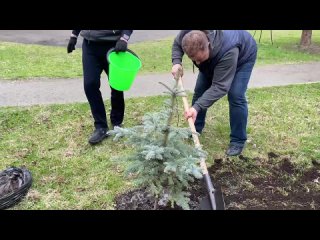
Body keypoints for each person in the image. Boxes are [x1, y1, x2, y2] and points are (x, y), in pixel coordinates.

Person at [171, 30, 257, 156]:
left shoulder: (228, 50)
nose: (198, 63)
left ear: (208, 45)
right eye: (193, 59)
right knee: (200, 91)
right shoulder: (188, 34)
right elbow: (178, 43)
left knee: (236, 95)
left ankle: (238, 141)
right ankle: (195, 129)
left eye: (199, 59)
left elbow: (220, 86)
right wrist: (176, 61)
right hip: (215, 57)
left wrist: (197, 107)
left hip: (242, 57)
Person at [67, 30, 133, 145]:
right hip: (90, 46)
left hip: (114, 46)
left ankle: (117, 123)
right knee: (90, 85)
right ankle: (101, 126)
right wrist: (74, 35)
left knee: (116, 85)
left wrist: (124, 38)